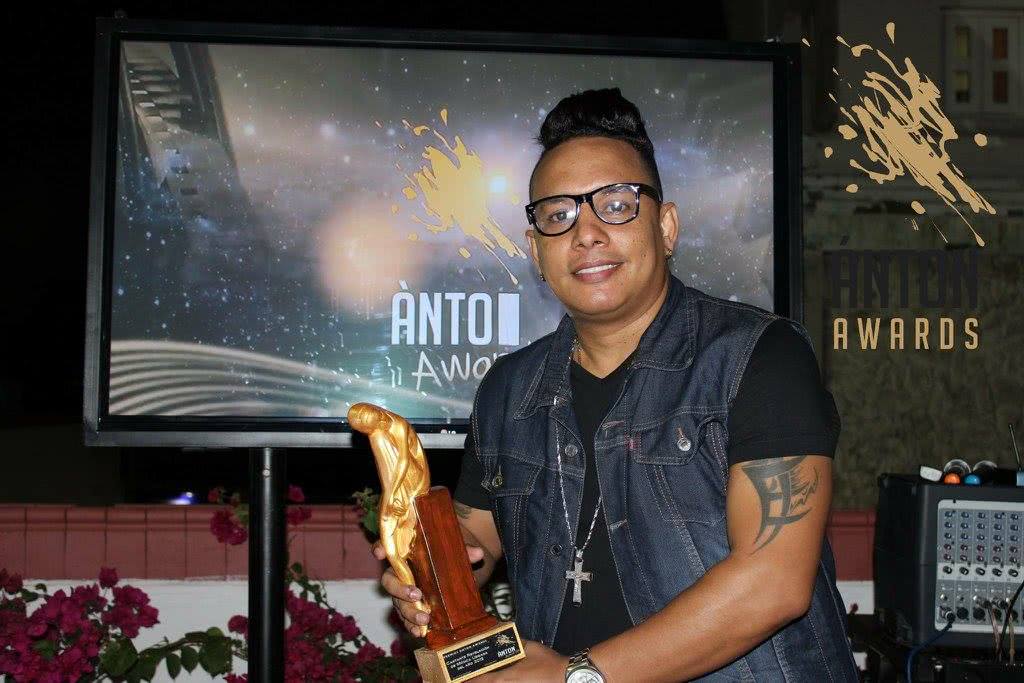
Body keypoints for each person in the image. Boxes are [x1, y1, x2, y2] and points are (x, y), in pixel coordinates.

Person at [373, 87, 860, 682]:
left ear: (667, 226)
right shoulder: (509, 389)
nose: (587, 234)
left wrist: (578, 676)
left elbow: (774, 582)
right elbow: (479, 533)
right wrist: (430, 571)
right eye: (559, 216)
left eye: (617, 204)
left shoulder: (757, 357)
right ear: (535, 250)